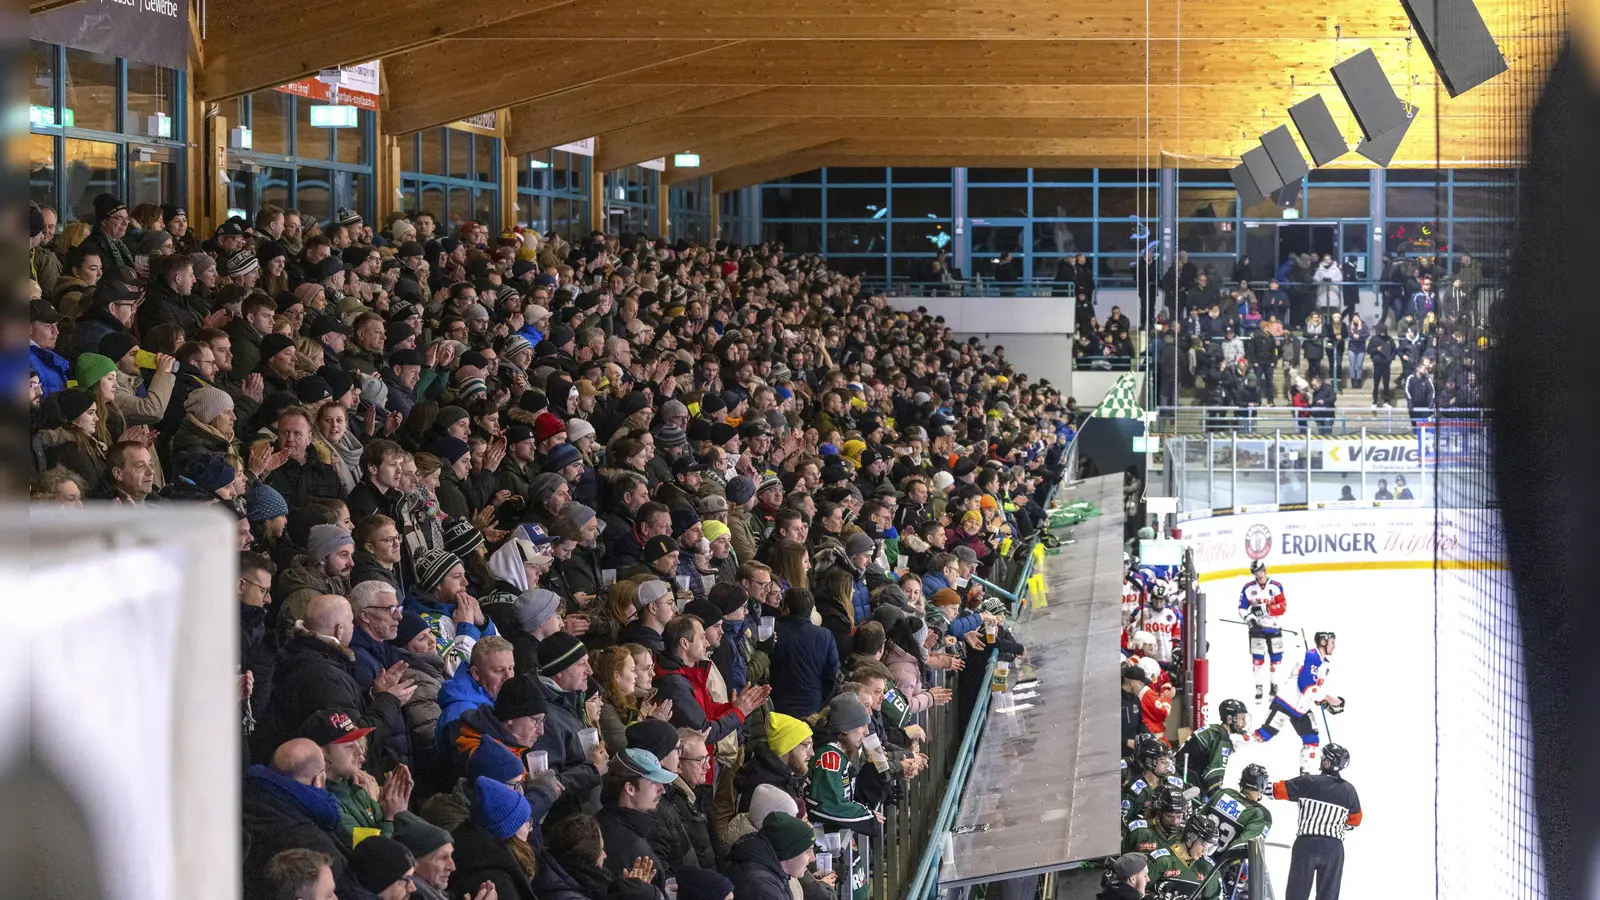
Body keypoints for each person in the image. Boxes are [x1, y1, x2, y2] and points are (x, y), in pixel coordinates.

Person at [1274, 744, 1361, 900]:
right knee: (1328, 895)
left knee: (1296, 894)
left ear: (1328, 763)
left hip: (1306, 844)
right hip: (1333, 848)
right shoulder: (1349, 790)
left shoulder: (1308, 782)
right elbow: (1355, 821)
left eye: (1324, 757)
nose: (1322, 759)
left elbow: (1276, 790)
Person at [1255, 631, 1344, 774]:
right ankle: (1234, 744)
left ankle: (1305, 775)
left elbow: (1314, 691)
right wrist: (1330, 699)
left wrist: (1325, 703)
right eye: (1332, 642)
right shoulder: (1312, 656)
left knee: (1312, 740)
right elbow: (1305, 686)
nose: (1334, 646)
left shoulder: (1325, 664)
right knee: (1263, 735)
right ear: (1323, 642)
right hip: (1286, 703)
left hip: (1301, 708)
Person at [1176, 697, 1251, 798]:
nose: (1244, 723)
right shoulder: (1222, 737)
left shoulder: (1215, 730)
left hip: (1179, 772)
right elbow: (1213, 773)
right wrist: (1216, 798)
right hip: (1185, 779)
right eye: (1241, 718)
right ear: (1229, 719)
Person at [1238, 560, 1288, 701]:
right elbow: (1241, 608)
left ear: (1264, 570)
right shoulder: (1248, 588)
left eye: (1260, 571)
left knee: (1276, 660)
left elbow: (1283, 607)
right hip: (1257, 630)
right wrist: (1249, 619)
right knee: (1257, 660)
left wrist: (1266, 609)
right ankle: (1259, 687)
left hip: (1274, 628)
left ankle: (1274, 686)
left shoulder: (1276, 586)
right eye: (1255, 572)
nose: (1258, 575)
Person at [1144, 815, 1222, 899]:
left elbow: (1215, 897)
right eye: (1203, 844)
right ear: (1190, 837)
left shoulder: (1208, 868)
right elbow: (1139, 892)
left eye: (1208, 846)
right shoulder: (1162, 860)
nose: (1205, 851)